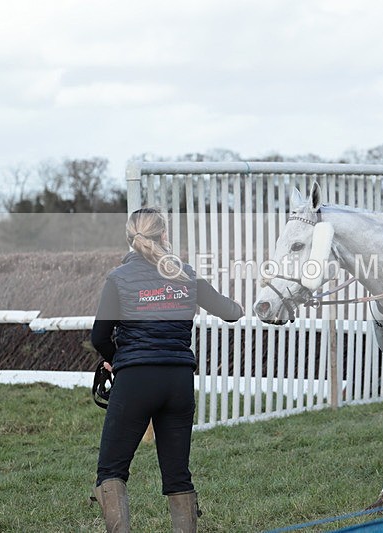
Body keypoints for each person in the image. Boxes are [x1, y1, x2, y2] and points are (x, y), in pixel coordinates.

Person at [90, 207, 244, 532]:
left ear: (131, 239)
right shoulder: (184, 273)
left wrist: (115, 358)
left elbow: (99, 337)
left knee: (112, 471)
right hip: (178, 382)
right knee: (177, 475)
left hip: (135, 380)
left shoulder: (118, 278)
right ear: (164, 236)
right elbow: (232, 313)